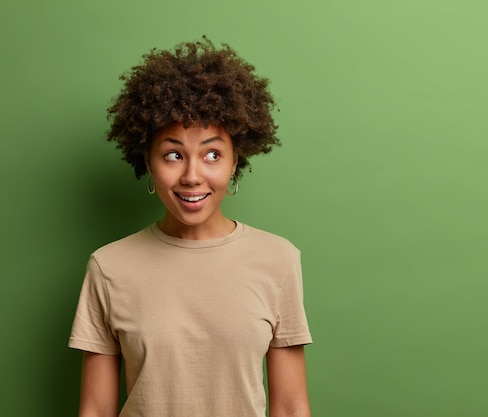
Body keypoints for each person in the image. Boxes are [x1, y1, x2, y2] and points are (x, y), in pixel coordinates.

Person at [68, 37, 312, 417]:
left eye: (213, 154)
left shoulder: (278, 260)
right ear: (148, 161)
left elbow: (291, 406)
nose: (192, 175)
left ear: (235, 162)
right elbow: (95, 410)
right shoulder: (108, 267)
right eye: (173, 154)